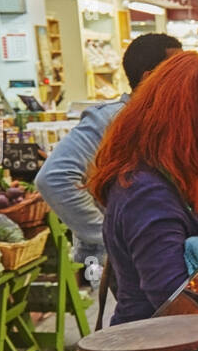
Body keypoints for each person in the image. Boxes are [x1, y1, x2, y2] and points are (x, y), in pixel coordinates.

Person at [86, 53, 198, 325]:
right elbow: (177, 305)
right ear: (193, 117)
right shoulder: (146, 193)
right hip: (154, 346)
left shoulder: (173, 175)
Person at [35, 33, 181, 264]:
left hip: (155, 255)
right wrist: (107, 236)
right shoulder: (112, 120)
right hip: (122, 264)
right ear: (150, 78)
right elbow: (54, 178)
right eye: (178, 72)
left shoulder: (163, 122)